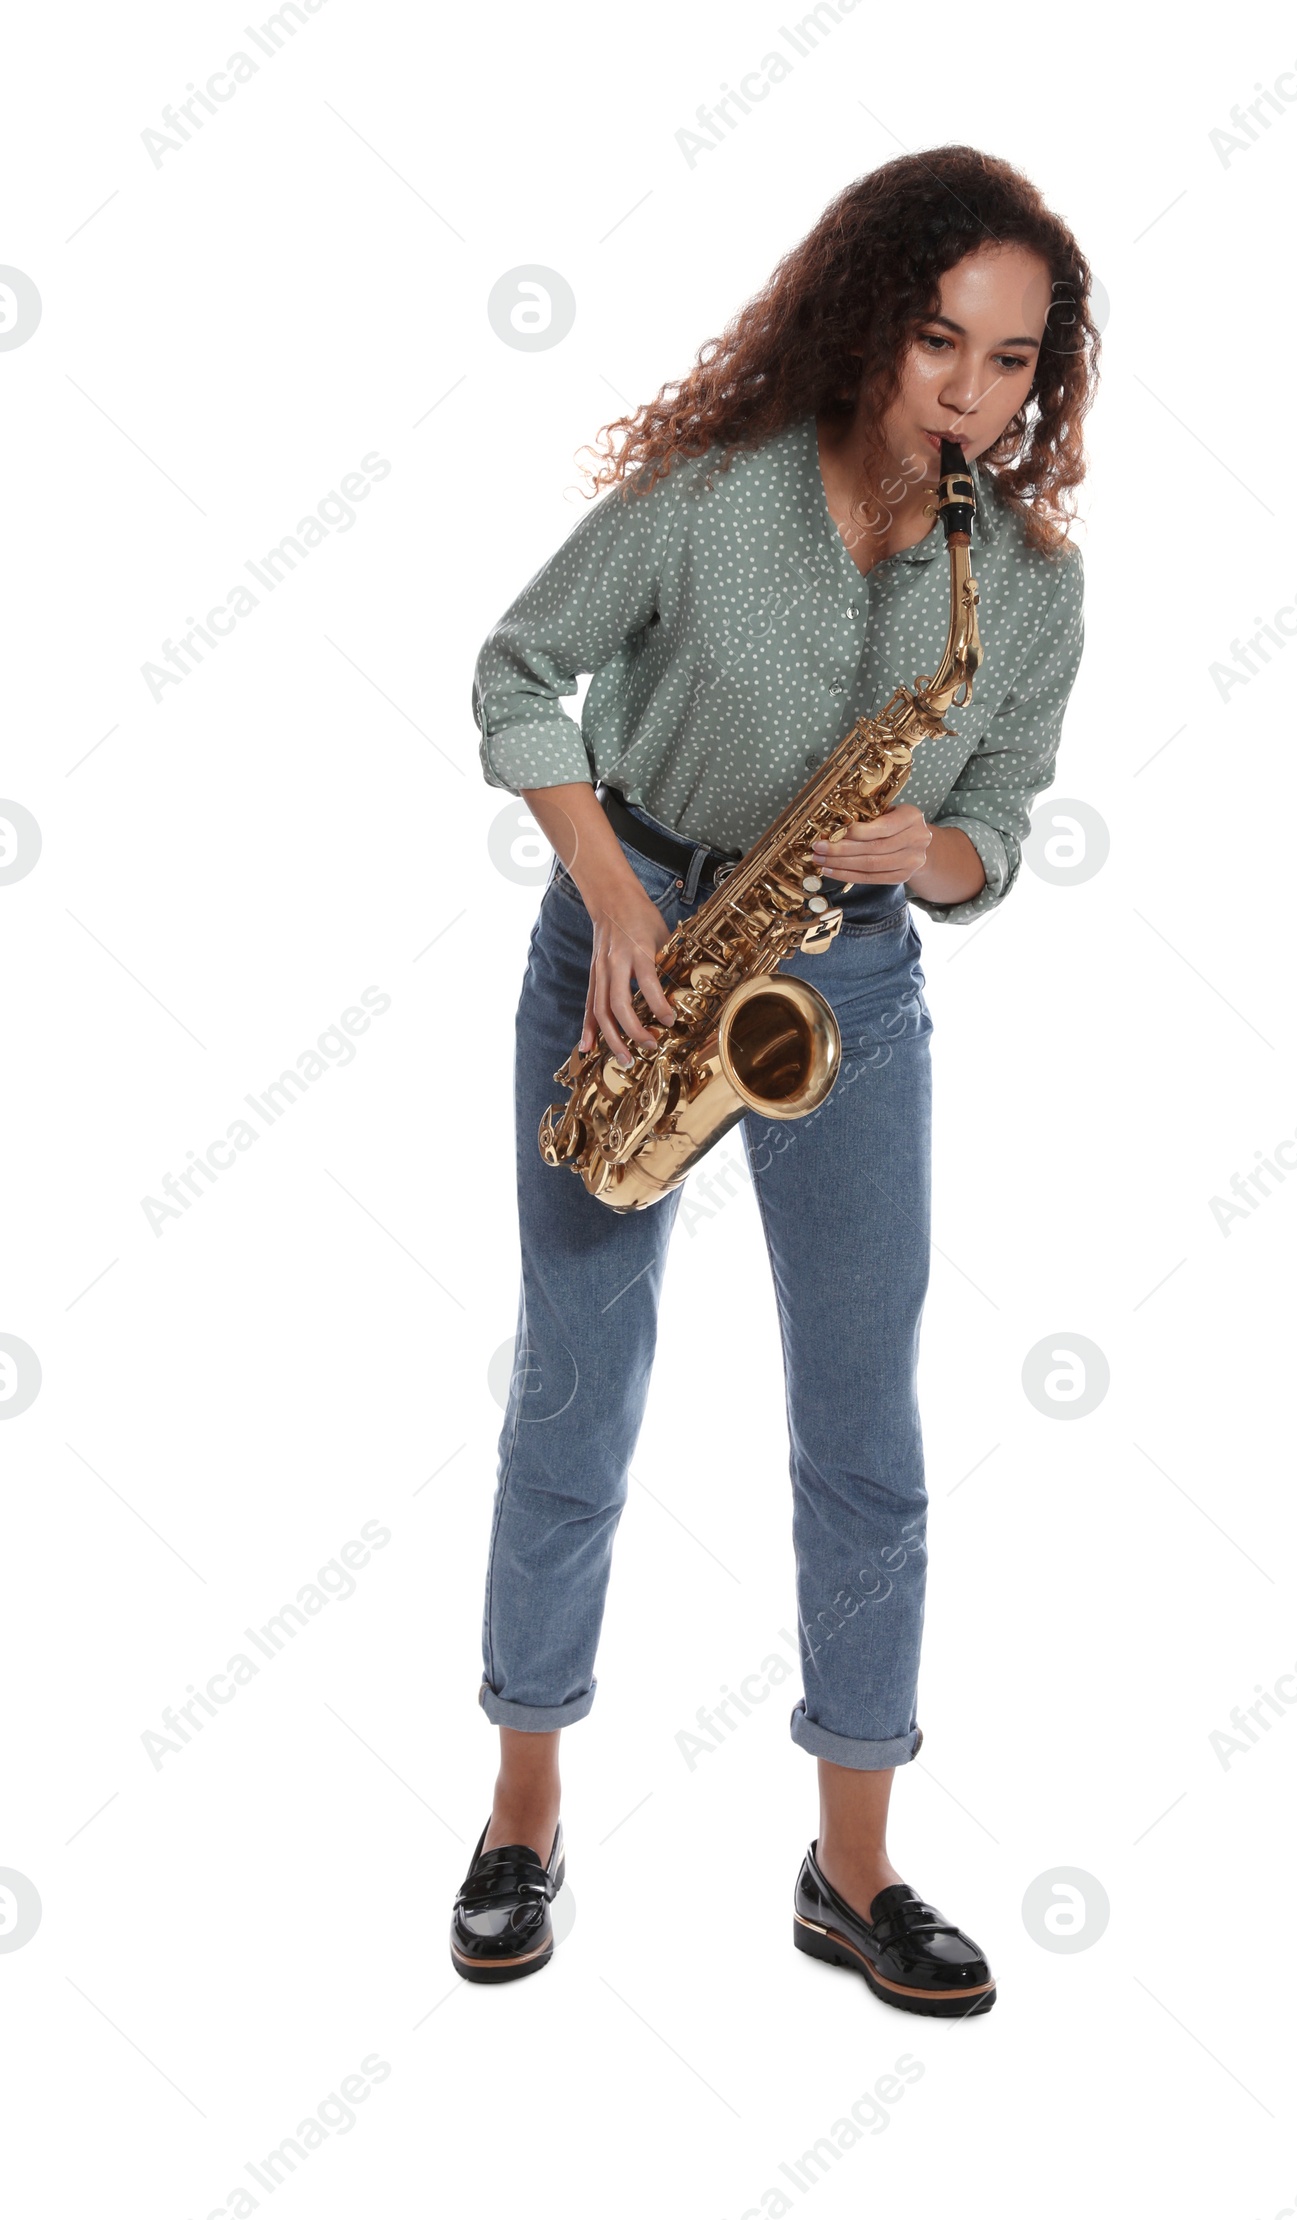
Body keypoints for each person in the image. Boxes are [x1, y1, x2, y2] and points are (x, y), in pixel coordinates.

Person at [450, 145, 1096, 2016]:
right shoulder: (714, 496)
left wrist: (939, 858)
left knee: (865, 1435)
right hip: (641, 944)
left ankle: (856, 1864)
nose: (969, 394)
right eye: (939, 343)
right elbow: (515, 676)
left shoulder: (1029, 588)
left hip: (850, 988)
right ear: (870, 319)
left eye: (1011, 362)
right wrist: (611, 904)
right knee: (575, 1387)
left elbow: (1004, 818)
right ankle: (522, 1811)